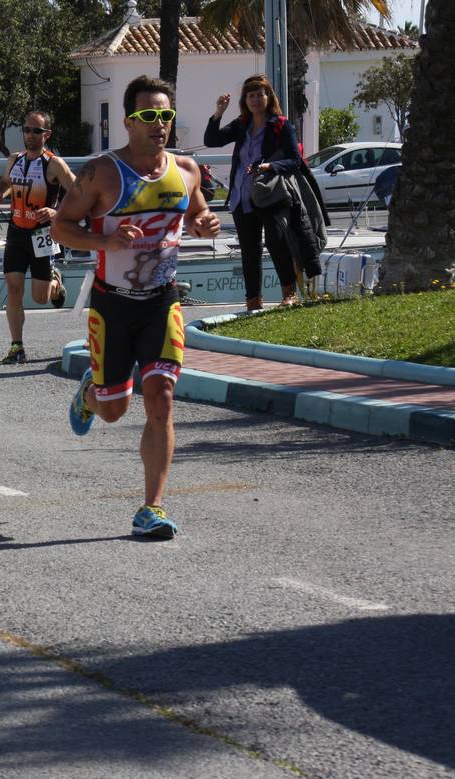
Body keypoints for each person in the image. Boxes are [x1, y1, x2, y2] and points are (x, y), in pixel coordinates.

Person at [51, 75, 221, 539]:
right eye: (149, 116)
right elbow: (61, 227)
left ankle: (153, 507)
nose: (159, 124)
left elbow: (196, 214)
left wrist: (204, 225)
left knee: (161, 398)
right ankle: (90, 394)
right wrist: (103, 239)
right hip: (113, 306)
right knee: (113, 410)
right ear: (128, 122)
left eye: (165, 115)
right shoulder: (102, 173)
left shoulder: (185, 170)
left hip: (162, 303)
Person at [204, 74, 305, 310]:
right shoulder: (242, 124)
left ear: (269, 97)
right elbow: (212, 140)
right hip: (242, 197)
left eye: (260, 94)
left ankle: (289, 294)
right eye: (251, 95)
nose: (256, 99)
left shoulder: (281, 124)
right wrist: (218, 113)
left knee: (276, 243)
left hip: (269, 196)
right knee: (249, 251)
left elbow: (295, 161)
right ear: (245, 100)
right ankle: (253, 302)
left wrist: (270, 166)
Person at [0, 110, 75, 363]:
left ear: (46, 134)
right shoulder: (15, 159)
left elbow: (79, 192)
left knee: (40, 297)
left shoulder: (54, 164)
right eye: (26, 129)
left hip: (42, 234)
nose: (30, 135)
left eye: (36, 131)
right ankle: (17, 347)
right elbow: (5, 183)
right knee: (14, 289)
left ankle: (55, 285)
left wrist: (56, 211)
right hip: (16, 232)